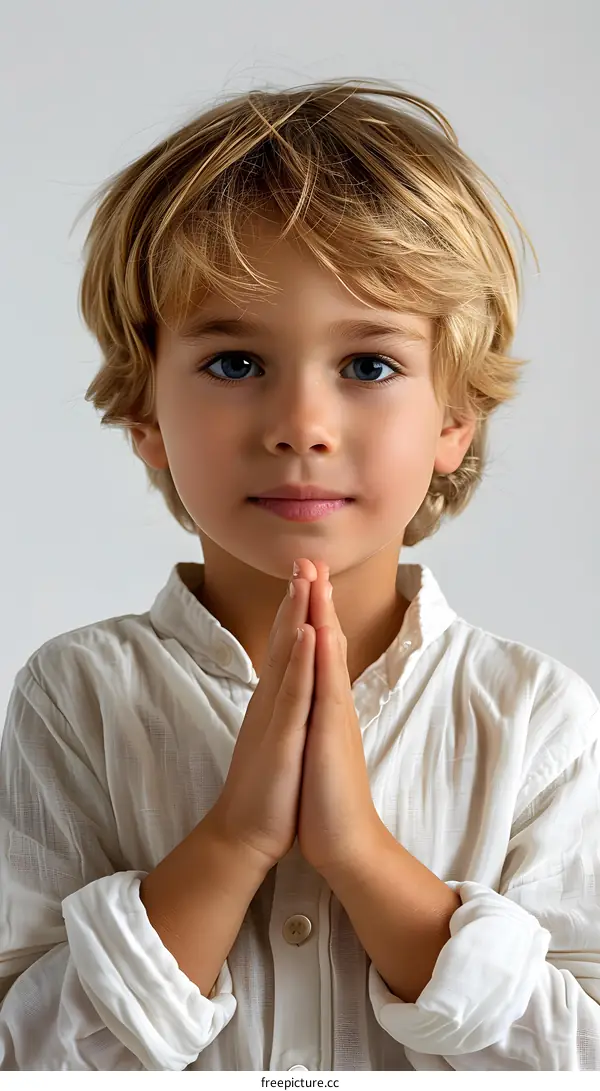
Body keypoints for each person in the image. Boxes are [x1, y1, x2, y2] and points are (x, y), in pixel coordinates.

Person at [1, 77, 599, 1073]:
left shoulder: (534, 717)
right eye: (236, 363)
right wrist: (232, 837)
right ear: (143, 408)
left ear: (456, 418)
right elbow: (21, 1052)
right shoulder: (77, 698)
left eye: (367, 366)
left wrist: (362, 852)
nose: (301, 425)